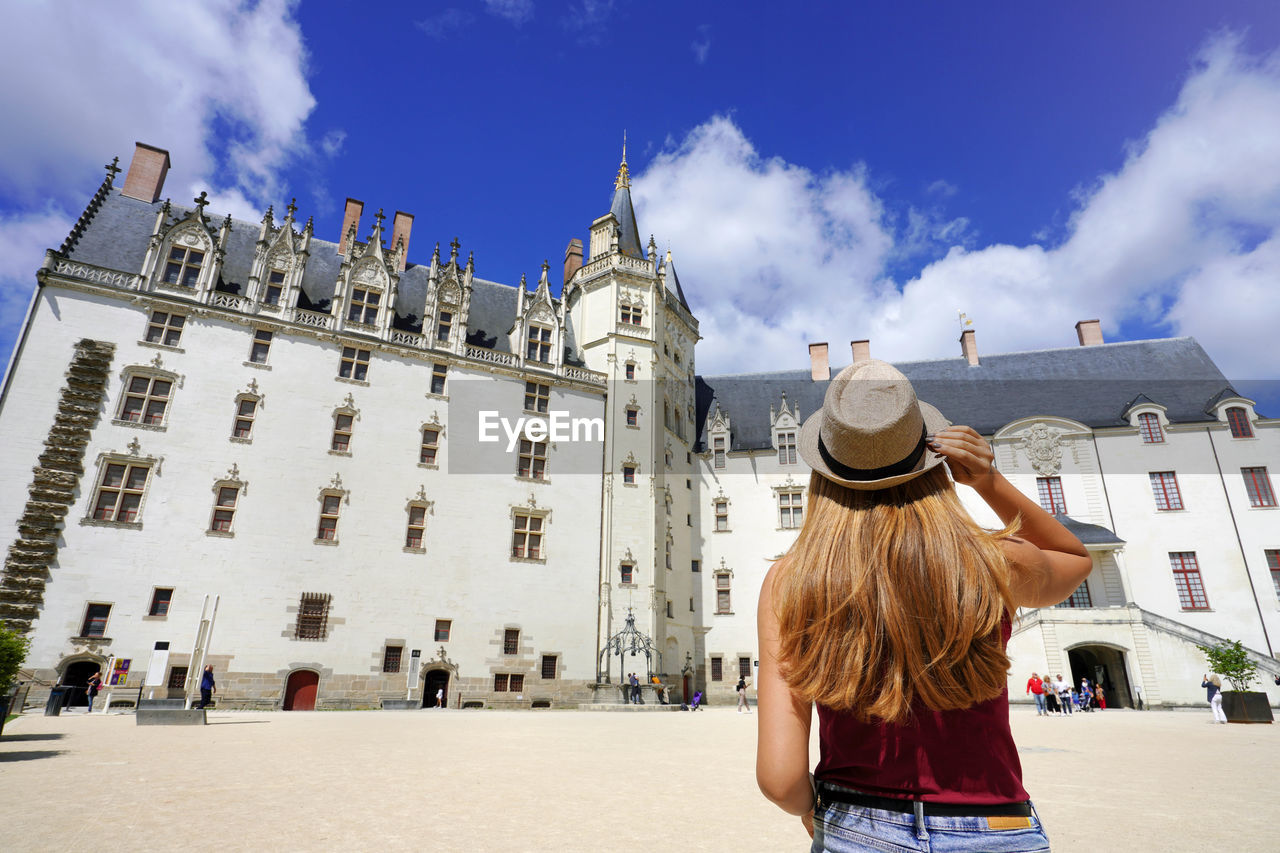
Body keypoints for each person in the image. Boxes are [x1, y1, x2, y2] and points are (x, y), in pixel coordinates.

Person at [755, 360, 1092, 851]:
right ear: (933, 460)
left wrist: (810, 810)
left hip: (858, 826)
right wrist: (988, 481)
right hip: (994, 823)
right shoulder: (991, 561)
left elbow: (780, 779)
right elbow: (1074, 559)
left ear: (823, 474)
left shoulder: (791, 582)